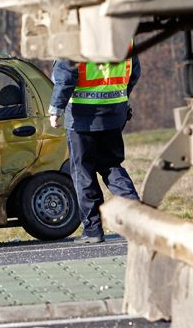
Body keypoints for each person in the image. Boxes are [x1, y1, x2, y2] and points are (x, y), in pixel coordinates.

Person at [49, 52, 141, 243]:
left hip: (82, 117)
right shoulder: (123, 34)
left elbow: (66, 75)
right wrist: (121, 99)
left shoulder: (74, 37)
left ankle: (92, 230)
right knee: (112, 166)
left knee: (83, 171)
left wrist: (56, 109)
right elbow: (134, 72)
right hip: (115, 112)